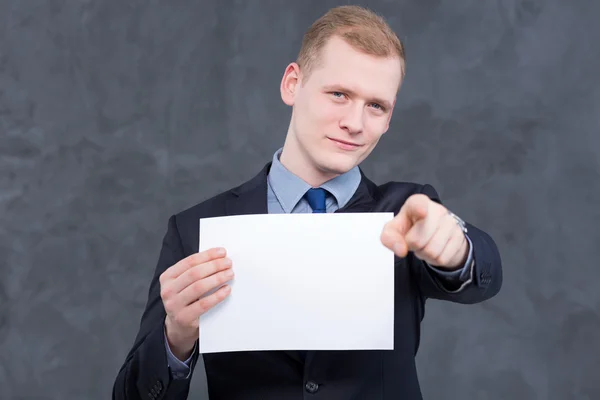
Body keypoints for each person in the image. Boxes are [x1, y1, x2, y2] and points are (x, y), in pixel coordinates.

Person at [112, 5, 502, 400]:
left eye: (376, 106)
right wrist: (175, 337)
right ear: (292, 85)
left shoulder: (406, 212)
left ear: (389, 117)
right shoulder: (197, 228)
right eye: (339, 94)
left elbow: (482, 274)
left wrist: (457, 250)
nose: (355, 122)